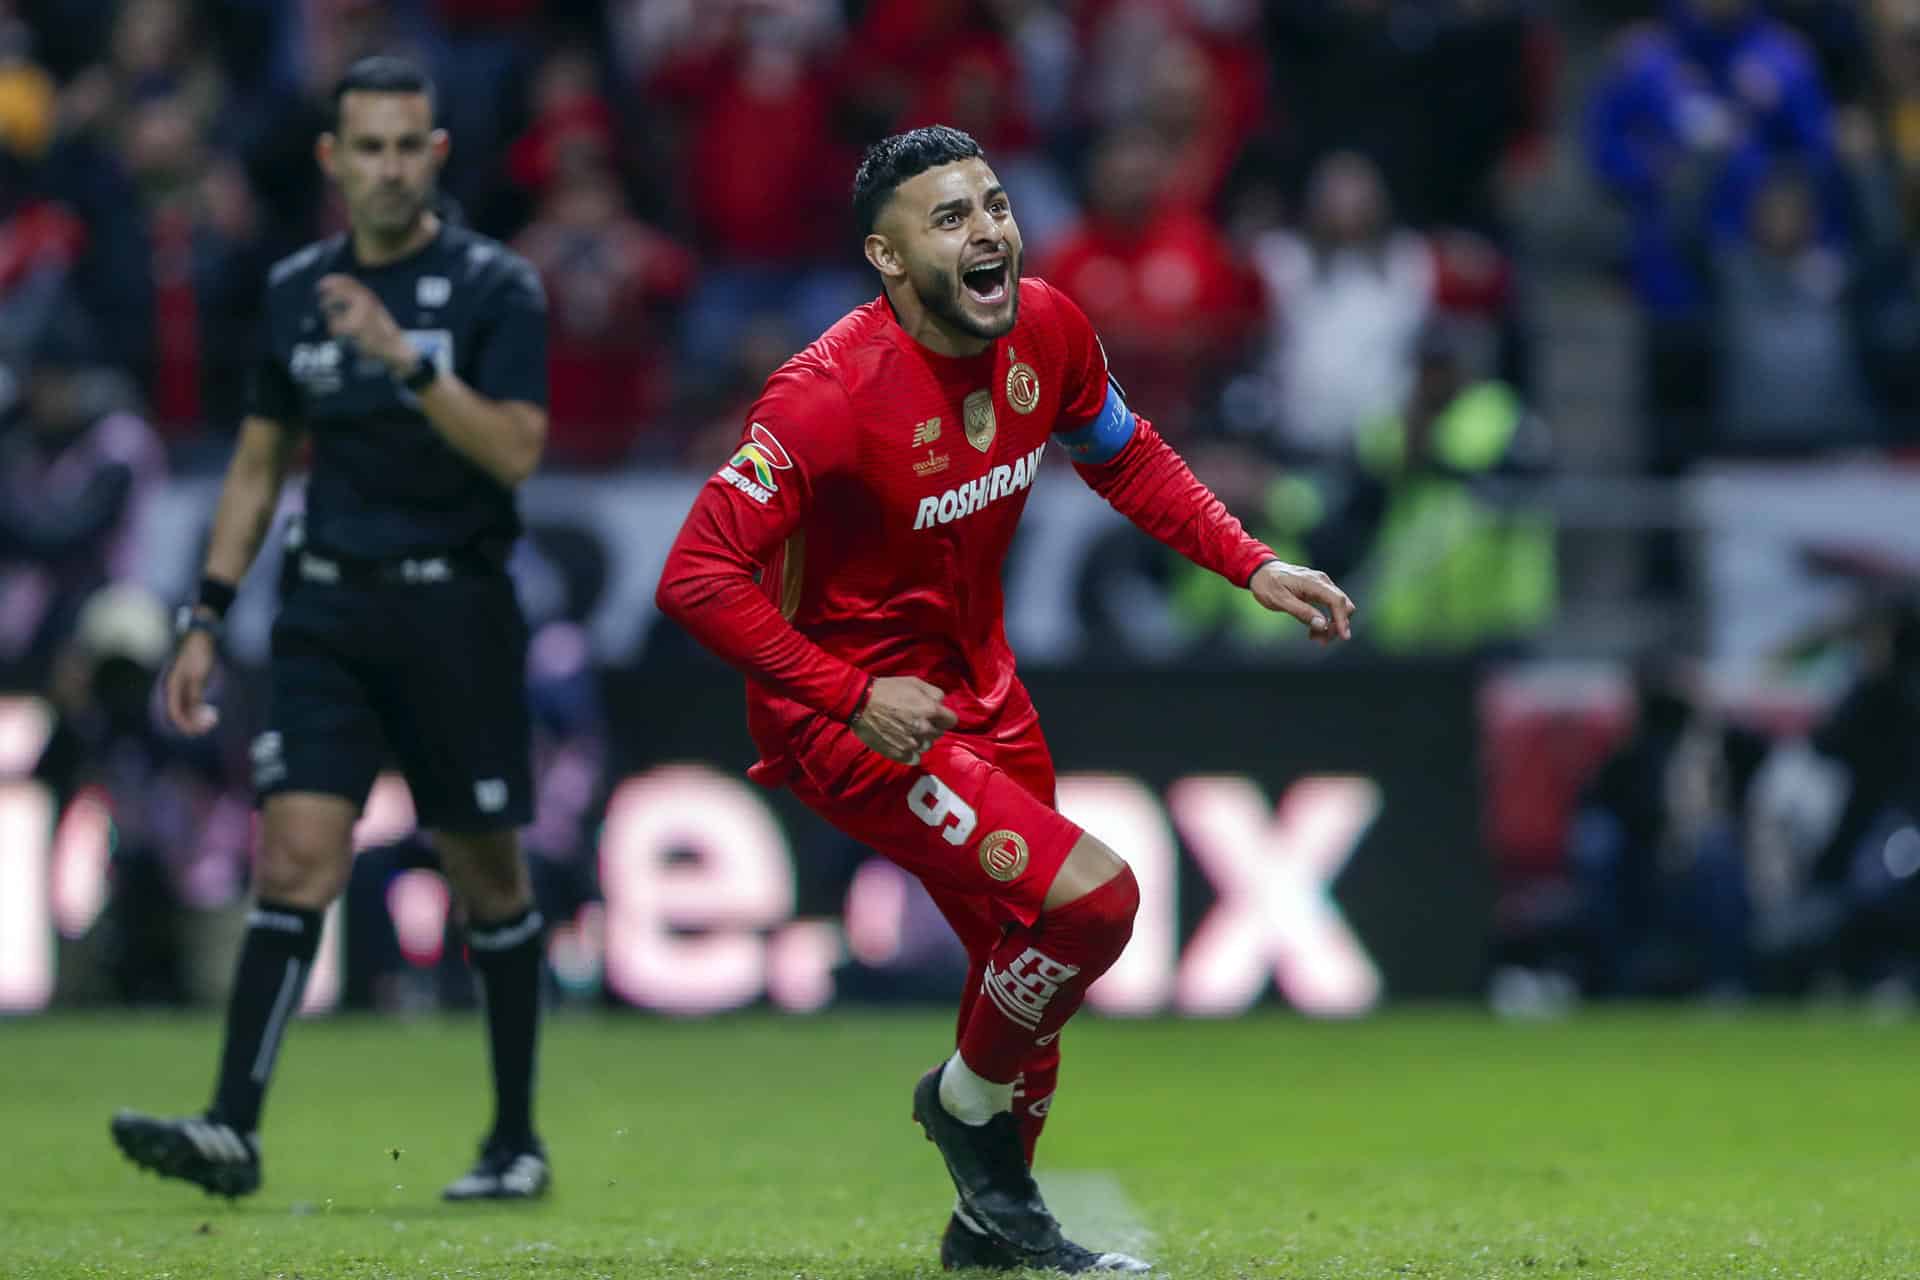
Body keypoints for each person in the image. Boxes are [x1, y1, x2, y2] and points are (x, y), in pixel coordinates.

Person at [654, 125, 1355, 1274]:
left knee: (1022, 982)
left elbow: (1123, 453)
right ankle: (961, 1102)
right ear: (886, 259)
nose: (987, 230)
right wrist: (846, 690)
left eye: (993, 205)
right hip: (858, 720)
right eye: (950, 217)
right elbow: (694, 576)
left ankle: (992, 1229)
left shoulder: (1049, 325)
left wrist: (1249, 562)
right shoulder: (822, 398)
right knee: (1094, 905)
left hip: (982, 687)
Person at [109, 55, 553, 1203]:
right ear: (333, 160)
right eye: (370, 146)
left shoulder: (496, 285)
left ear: (437, 156)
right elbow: (259, 464)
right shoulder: (297, 287)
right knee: (295, 851)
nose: (391, 166)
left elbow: (514, 448)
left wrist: (402, 361)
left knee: (487, 874)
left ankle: (514, 1137)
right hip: (327, 609)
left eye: (410, 145)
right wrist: (206, 610)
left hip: (457, 605)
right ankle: (232, 1126)